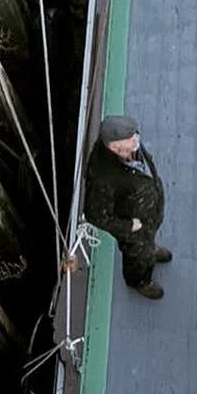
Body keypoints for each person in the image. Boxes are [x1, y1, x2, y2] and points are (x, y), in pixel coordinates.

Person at [84, 114, 172, 300]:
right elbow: (95, 215)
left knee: (147, 244)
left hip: (148, 213)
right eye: (131, 140)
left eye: (135, 137)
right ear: (114, 147)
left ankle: (150, 248)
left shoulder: (129, 147)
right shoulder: (102, 178)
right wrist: (129, 227)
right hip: (134, 228)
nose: (136, 141)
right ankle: (139, 282)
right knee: (137, 258)